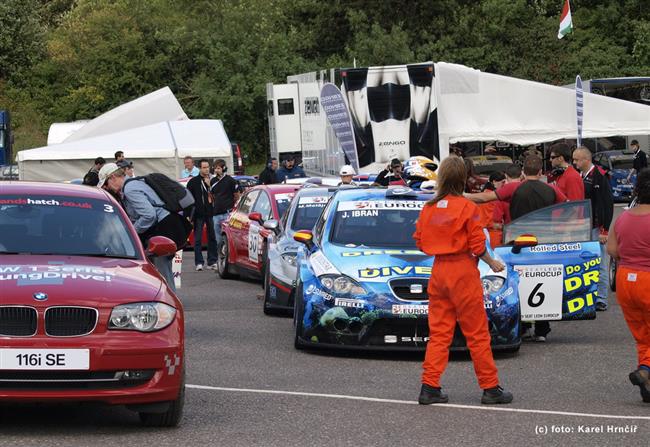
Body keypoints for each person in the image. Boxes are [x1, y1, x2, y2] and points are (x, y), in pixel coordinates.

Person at [413, 156, 512, 406]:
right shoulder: (466, 207)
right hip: (462, 272)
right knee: (477, 334)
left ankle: (430, 385)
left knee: (439, 333)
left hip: (438, 271)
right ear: (463, 179)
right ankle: (490, 387)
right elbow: (477, 244)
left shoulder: (429, 208)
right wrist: (491, 262)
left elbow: (420, 241)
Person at [466, 156, 567, 342]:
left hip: (518, 243)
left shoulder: (514, 187)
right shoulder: (551, 189)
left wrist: (459, 196)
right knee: (544, 277)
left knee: (519, 282)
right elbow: (568, 208)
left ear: (523, 173)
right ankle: (542, 329)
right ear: (540, 172)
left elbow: (484, 197)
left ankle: (524, 326)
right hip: (544, 243)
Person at [99, 164, 188, 292]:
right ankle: (168, 299)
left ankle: (171, 302)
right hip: (167, 225)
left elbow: (149, 216)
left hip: (163, 228)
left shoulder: (129, 189)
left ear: (112, 177)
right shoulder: (133, 184)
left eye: (105, 184)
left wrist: (131, 233)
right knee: (161, 269)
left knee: (162, 270)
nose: (107, 188)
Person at [607, 168, 650, 403]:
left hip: (626, 279)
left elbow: (612, 250)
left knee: (643, 336)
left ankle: (648, 386)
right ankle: (646, 370)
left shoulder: (624, 216)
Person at [573, 146, 614, 311]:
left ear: (586, 160)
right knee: (585, 262)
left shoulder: (599, 177)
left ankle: (601, 298)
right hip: (583, 227)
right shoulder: (580, 176)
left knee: (600, 262)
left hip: (597, 227)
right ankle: (588, 295)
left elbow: (607, 204)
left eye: (576, 159)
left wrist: (605, 230)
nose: (574, 162)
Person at [186, 159, 218, 271]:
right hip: (199, 214)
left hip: (211, 213)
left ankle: (212, 261)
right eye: (204, 167)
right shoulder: (193, 182)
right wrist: (189, 214)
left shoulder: (213, 181)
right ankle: (199, 262)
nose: (206, 169)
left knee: (212, 237)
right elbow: (188, 199)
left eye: (208, 167)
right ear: (199, 168)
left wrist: (210, 186)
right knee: (198, 238)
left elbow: (217, 196)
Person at [211, 158, 240, 250]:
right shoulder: (212, 181)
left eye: (218, 168)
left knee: (229, 238)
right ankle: (219, 256)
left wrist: (233, 208)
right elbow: (212, 196)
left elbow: (236, 196)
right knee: (218, 239)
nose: (216, 170)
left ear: (224, 168)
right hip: (216, 213)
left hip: (228, 213)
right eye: (215, 168)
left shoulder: (231, 180)